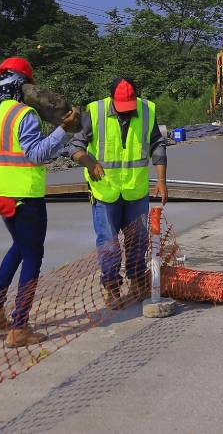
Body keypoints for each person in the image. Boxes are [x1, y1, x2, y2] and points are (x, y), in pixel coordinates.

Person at [0, 57, 81, 348]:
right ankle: (19, 327)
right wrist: (63, 130)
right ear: (24, 85)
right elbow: (36, 154)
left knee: (20, 247)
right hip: (25, 195)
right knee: (33, 255)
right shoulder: (24, 114)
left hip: (0, 193)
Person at [69, 78, 168, 310]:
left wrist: (162, 180)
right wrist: (89, 162)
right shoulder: (95, 112)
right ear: (112, 99)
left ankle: (137, 281)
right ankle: (111, 287)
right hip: (105, 191)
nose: (127, 112)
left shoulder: (146, 110)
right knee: (109, 244)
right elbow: (74, 147)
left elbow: (157, 144)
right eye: (122, 108)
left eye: (130, 108)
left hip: (135, 190)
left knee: (138, 241)